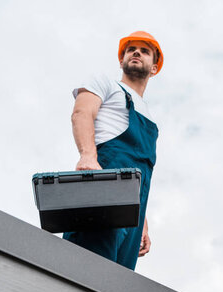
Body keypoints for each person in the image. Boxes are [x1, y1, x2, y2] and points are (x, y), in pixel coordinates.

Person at [63, 31, 163, 271]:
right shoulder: (105, 84)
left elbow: (140, 173)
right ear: (122, 61)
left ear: (154, 67)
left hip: (133, 211)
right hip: (104, 188)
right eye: (131, 50)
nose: (136, 52)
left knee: (117, 280)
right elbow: (82, 113)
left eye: (144, 51)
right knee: (87, 266)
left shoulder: (150, 117)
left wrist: (143, 220)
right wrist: (87, 154)